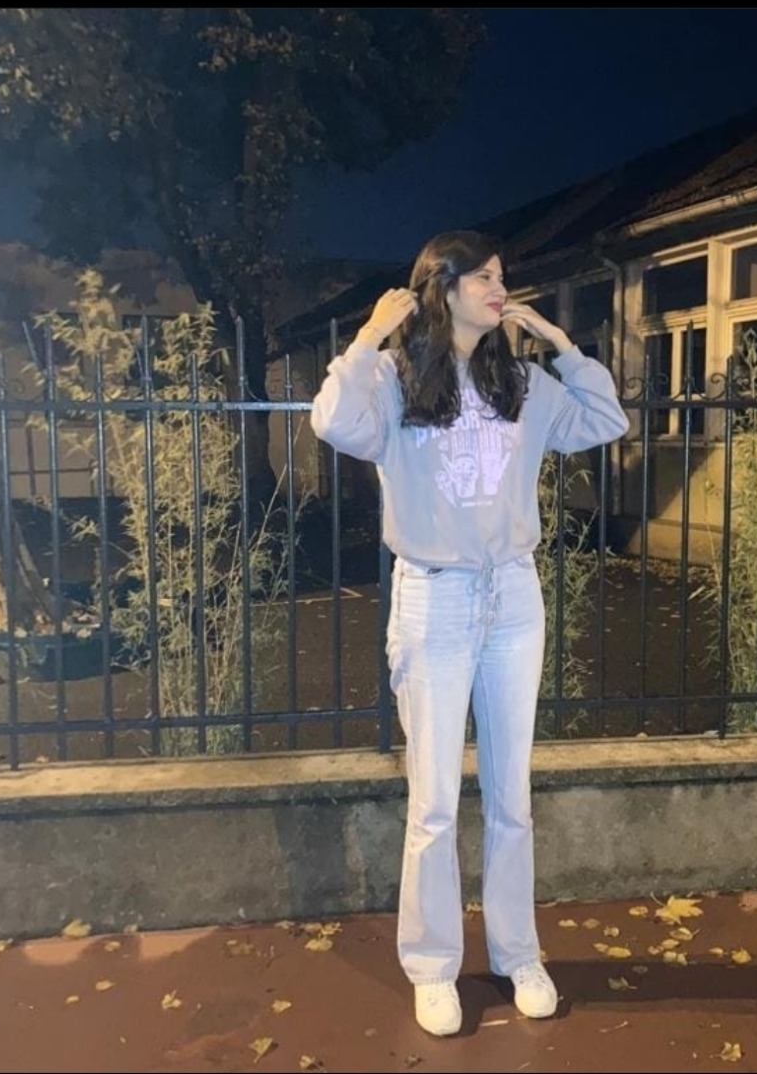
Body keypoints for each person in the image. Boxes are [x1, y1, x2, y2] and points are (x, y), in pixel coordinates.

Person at [310, 230, 629, 1037]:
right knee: (434, 803)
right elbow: (333, 422)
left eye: (502, 276)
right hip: (436, 597)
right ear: (442, 287)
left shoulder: (521, 381)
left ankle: (518, 955)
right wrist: (367, 337)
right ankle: (432, 966)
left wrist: (560, 343)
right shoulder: (393, 378)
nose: (498, 287)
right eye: (482, 276)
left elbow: (605, 419)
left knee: (511, 797)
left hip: (513, 596)